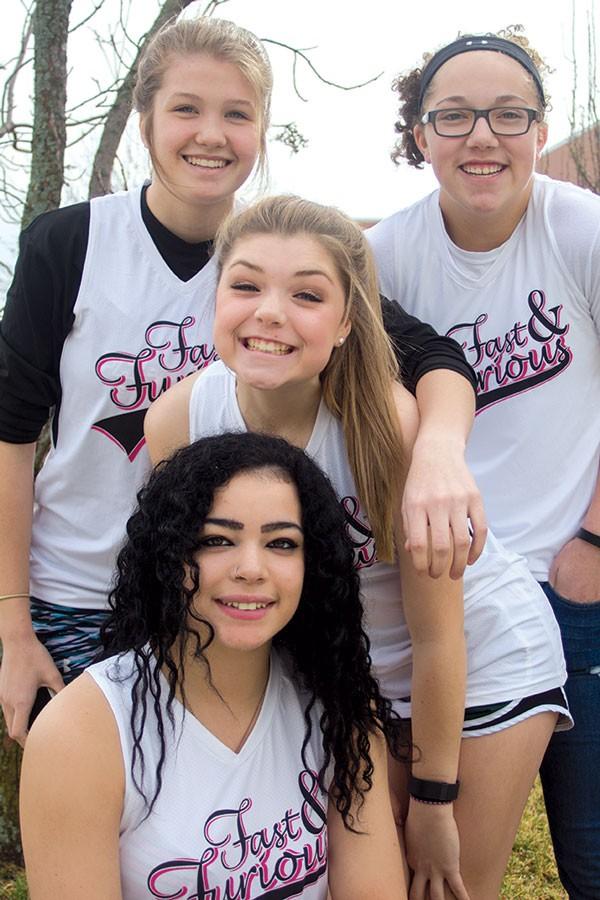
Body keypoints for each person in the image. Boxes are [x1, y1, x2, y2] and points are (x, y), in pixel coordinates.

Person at [0, 15, 482, 747]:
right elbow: (9, 434)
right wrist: (12, 624)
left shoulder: (276, 263)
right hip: (73, 595)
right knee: (80, 827)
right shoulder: (69, 244)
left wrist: (440, 453)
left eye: (237, 114)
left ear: (261, 131)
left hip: (221, 605)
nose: (210, 134)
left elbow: (437, 358)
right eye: (186, 109)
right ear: (144, 120)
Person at [145, 194, 571, 899]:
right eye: (245, 285)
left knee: (444, 883)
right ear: (214, 298)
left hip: (479, 659)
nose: (270, 312)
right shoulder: (182, 424)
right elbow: (193, 599)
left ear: (347, 321)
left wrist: (435, 802)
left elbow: (438, 638)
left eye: (306, 294)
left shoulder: (385, 428)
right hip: (349, 676)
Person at [365, 30, 600, 900]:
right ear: (419, 135)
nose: (482, 137)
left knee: (592, 852)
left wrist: (593, 546)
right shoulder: (386, 255)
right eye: (454, 116)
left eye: (509, 114)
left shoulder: (580, 229)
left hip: (580, 582)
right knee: (436, 863)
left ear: (540, 130)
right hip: (450, 592)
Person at [20, 431, 408, 898]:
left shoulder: (340, 709)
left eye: (282, 543)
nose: (250, 568)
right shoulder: (82, 734)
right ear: (169, 555)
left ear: (314, 563)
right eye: (217, 540)